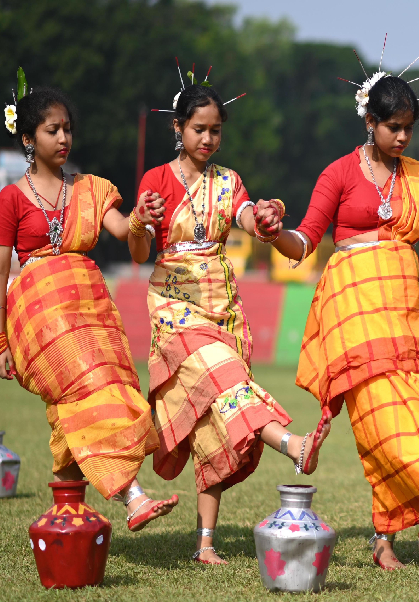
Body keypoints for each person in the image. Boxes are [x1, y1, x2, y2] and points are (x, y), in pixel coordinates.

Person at [257, 73, 419, 570]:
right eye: (393, 126)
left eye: (410, 127)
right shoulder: (339, 173)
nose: (403, 137)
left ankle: (384, 538)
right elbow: (303, 244)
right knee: (381, 422)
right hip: (355, 312)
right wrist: (276, 233)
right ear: (369, 121)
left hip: (406, 314)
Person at [131, 81, 330, 565]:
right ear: (178, 128)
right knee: (227, 381)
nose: (208, 139)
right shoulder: (155, 180)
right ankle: (293, 443)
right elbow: (138, 255)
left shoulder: (228, 181)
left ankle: (204, 544)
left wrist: (265, 218)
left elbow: (246, 219)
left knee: (213, 421)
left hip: (223, 309)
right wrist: (139, 221)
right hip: (175, 312)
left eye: (215, 131)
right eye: (198, 129)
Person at [0, 81, 178, 529]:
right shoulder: (10, 199)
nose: (63, 139)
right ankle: (132, 495)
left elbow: (126, 234)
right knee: (91, 390)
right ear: (27, 139)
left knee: (78, 408)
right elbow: (0, 274)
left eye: (68, 130)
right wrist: (1, 339)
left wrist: (140, 219)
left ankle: (65, 520)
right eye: (51, 130)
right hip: (41, 321)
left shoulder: (91, 189)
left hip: (92, 312)